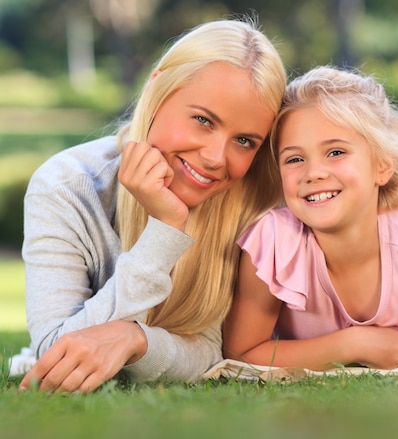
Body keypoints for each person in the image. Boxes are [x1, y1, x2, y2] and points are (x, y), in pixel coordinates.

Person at [15, 17, 286, 393]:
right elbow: (58, 354)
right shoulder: (66, 186)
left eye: (244, 141)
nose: (214, 158)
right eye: (203, 120)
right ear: (158, 89)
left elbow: (212, 351)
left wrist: (135, 341)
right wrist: (166, 228)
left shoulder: (251, 205)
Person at [222, 66, 398, 371]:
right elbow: (242, 352)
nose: (313, 172)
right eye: (295, 159)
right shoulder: (275, 241)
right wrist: (352, 345)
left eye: (335, 152)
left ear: (382, 166)